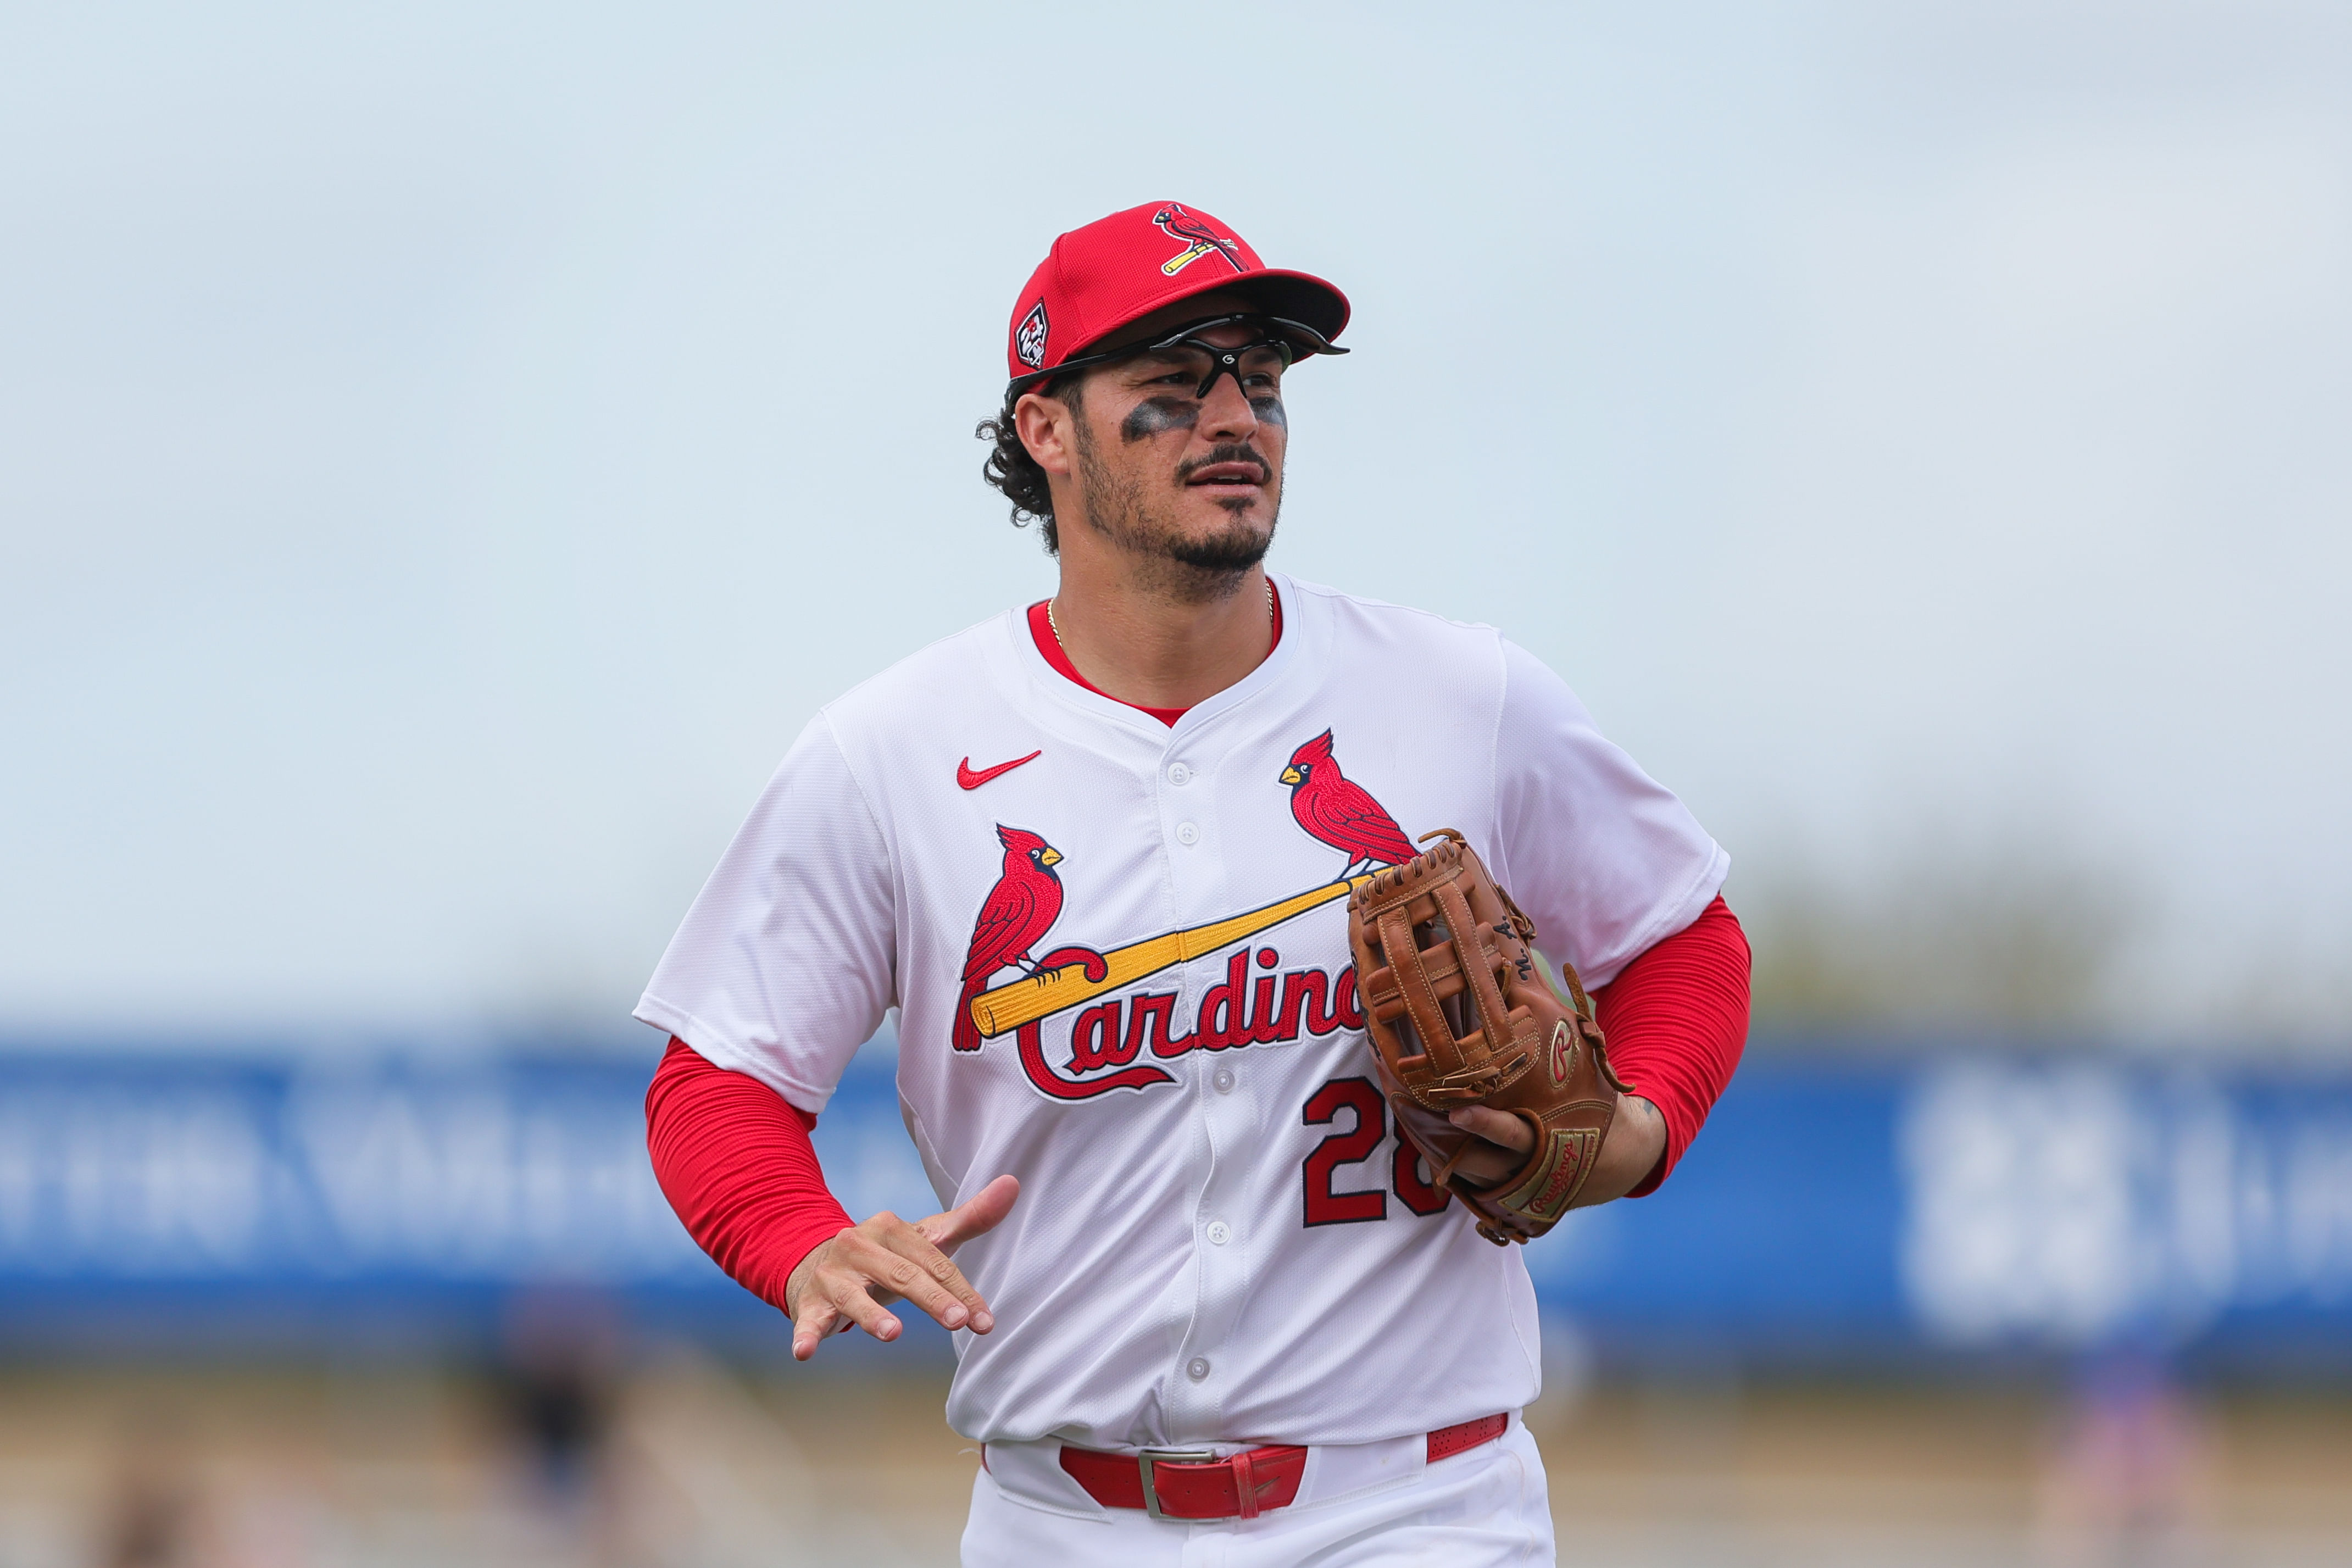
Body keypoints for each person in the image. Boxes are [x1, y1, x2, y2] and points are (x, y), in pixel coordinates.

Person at [639, 201, 1751, 1565]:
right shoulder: (892, 753)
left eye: (1263, 383)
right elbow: (719, 1079)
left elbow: (1679, 931)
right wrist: (794, 1234)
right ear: (1045, 428)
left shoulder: (1458, 696)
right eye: (1171, 388)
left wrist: (1637, 1125)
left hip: (1412, 1506)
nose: (1235, 417)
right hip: (1060, 1517)